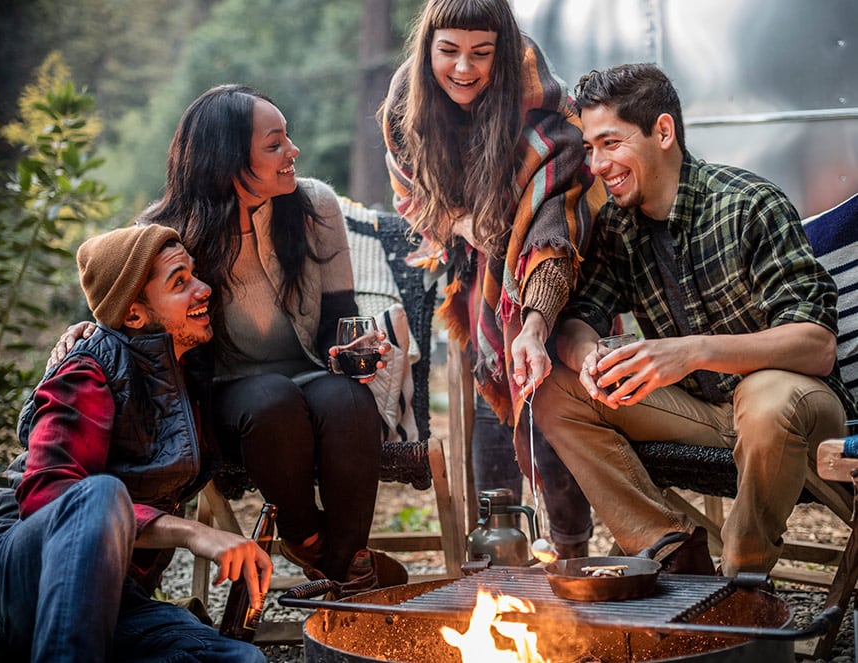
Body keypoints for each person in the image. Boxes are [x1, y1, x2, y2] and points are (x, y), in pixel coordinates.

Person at [54, 84, 407, 593]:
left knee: (350, 400)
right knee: (271, 400)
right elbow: (123, 312)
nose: (293, 152)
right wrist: (84, 328)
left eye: (287, 139)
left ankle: (348, 562)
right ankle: (308, 539)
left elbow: (339, 317)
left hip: (309, 369)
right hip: (222, 391)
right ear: (227, 161)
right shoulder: (164, 232)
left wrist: (356, 348)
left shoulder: (315, 206)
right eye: (274, 144)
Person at [534, 62, 858, 576]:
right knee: (555, 388)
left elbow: (816, 345)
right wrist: (591, 356)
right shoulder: (618, 225)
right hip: (706, 413)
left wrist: (693, 351)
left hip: (798, 412)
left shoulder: (749, 204)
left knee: (767, 393)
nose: (596, 164)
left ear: (662, 132)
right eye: (590, 148)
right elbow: (579, 317)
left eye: (610, 143)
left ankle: (742, 581)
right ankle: (670, 548)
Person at [0, 225, 269, 662]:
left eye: (195, 274)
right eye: (179, 282)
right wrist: (193, 533)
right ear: (133, 315)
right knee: (98, 496)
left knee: (242, 660)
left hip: (116, 602)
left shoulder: (189, 368)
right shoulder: (89, 368)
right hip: (15, 588)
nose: (204, 288)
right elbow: (51, 498)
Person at [379, 0, 607, 557]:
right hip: (475, 272)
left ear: (503, 53)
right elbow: (410, 191)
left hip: (557, 258)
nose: (464, 69)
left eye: (481, 54)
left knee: (544, 379)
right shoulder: (406, 103)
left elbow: (560, 201)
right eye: (449, 52)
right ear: (427, 46)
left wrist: (533, 313)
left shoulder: (541, 103)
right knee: (492, 389)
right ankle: (500, 549)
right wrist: (460, 221)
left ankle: (570, 546)